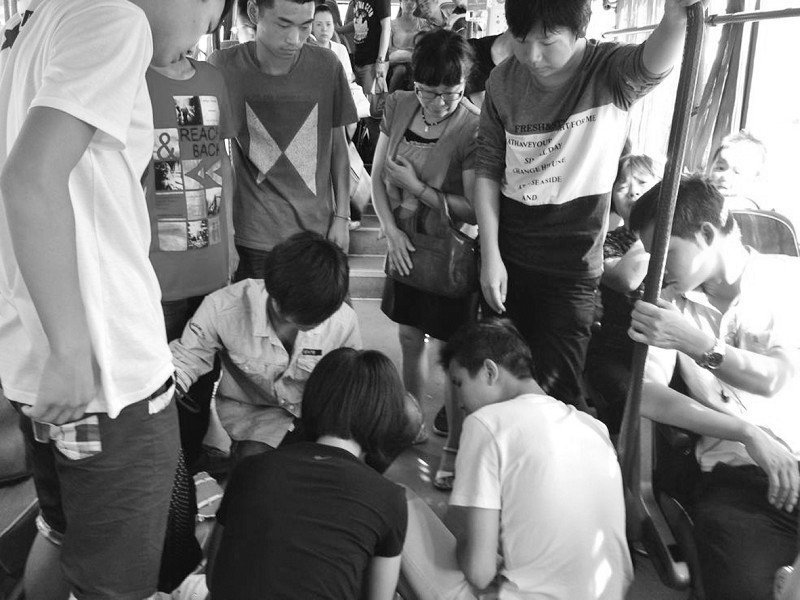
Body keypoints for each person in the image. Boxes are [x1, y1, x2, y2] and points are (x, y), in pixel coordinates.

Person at [0, 0, 231, 598]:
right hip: (107, 374)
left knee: (59, 531)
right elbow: (29, 178)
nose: (201, 35)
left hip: (42, 363)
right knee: (116, 584)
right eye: (210, 14)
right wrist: (71, 350)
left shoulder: (38, 24)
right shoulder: (114, 21)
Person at [475, 0, 707, 413]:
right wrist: (490, 255)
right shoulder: (503, 81)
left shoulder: (609, 72)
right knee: (498, 380)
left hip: (574, 266)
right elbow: (488, 170)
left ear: (579, 31)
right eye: (522, 41)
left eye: (548, 42)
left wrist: (674, 16)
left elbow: (654, 61)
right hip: (510, 253)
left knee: (558, 390)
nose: (532, 56)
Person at [627, 175, 800, 600]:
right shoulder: (669, 304)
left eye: (666, 252)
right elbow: (645, 394)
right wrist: (745, 432)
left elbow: (775, 378)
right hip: (739, 482)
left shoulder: (783, 280)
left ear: (706, 234)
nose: (657, 267)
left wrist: (697, 343)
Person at [400, 320, 632, 599]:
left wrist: (464, 535)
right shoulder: (593, 426)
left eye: (459, 383)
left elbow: (479, 572)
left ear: (489, 371)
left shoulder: (486, 423)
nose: (460, 402)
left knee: (397, 502)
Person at [208, 348, 412, 600]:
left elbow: (213, 576)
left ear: (312, 398)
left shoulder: (251, 468)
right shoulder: (389, 497)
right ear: (386, 416)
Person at [371, 28, 479, 491]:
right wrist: (390, 231)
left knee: (449, 351)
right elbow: (377, 175)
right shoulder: (399, 105)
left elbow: (473, 209)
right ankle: (410, 420)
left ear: (464, 84)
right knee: (409, 336)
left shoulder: (472, 126)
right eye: (427, 91)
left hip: (447, 250)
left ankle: (454, 445)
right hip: (404, 240)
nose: (437, 103)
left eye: (449, 93)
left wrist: (417, 188)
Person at [170, 232, 361, 461]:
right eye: (305, 319)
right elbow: (187, 359)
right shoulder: (222, 308)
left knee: (342, 462)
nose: (318, 323)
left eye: (323, 317)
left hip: (316, 412)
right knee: (256, 466)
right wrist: (168, 387)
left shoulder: (343, 320)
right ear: (274, 296)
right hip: (255, 413)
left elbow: (352, 384)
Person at [209, 0, 357, 280]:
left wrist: (342, 217)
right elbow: (217, 158)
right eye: (283, 24)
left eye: (305, 26)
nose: (295, 39)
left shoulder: (327, 66)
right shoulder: (224, 67)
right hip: (252, 236)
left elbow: (338, 146)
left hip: (316, 234)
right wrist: (226, 233)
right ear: (255, 12)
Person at [145, 46, 237, 468]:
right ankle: (168, 472)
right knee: (156, 384)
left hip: (211, 265)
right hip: (155, 271)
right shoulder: (133, 78)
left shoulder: (212, 79)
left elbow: (221, 161)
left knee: (203, 378)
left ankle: (192, 465)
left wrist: (230, 237)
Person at [584, 154, 660, 436]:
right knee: (630, 402)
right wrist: (656, 228)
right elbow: (626, 278)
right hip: (616, 350)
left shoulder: (680, 242)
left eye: (642, 183)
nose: (633, 192)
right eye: (622, 186)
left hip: (661, 351)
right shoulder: (605, 241)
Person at [338, 0, 391, 95]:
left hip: (373, 61)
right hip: (359, 58)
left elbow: (386, 28)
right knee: (359, 99)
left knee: (372, 100)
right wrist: (339, 30)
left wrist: (380, 61)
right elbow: (357, 22)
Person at [707, 129, 767, 211]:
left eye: (737, 172)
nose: (725, 177)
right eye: (720, 168)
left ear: (755, 178)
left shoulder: (748, 207)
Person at [386, 0, 428, 92]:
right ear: (400, 3)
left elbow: (425, 46)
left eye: (413, 1)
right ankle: (390, 96)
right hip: (397, 61)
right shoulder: (392, 24)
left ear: (416, 5)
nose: (409, 3)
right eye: (406, 0)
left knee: (417, 72)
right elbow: (388, 48)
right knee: (400, 70)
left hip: (416, 61)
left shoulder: (423, 23)